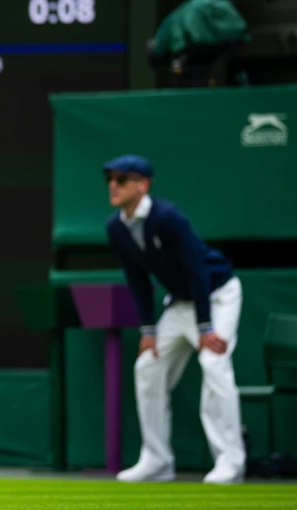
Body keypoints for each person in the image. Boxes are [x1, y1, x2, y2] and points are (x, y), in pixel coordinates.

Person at [103, 155, 245, 485]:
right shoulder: (115, 227)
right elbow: (136, 278)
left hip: (217, 296)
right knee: (147, 367)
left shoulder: (168, 217)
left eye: (122, 179)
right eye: (109, 178)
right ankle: (156, 460)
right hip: (179, 304)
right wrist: (148, 329)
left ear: (143, 184)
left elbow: (196, 269)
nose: (113, 185)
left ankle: (230, 462)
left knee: (213, 364)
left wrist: (205, 326)